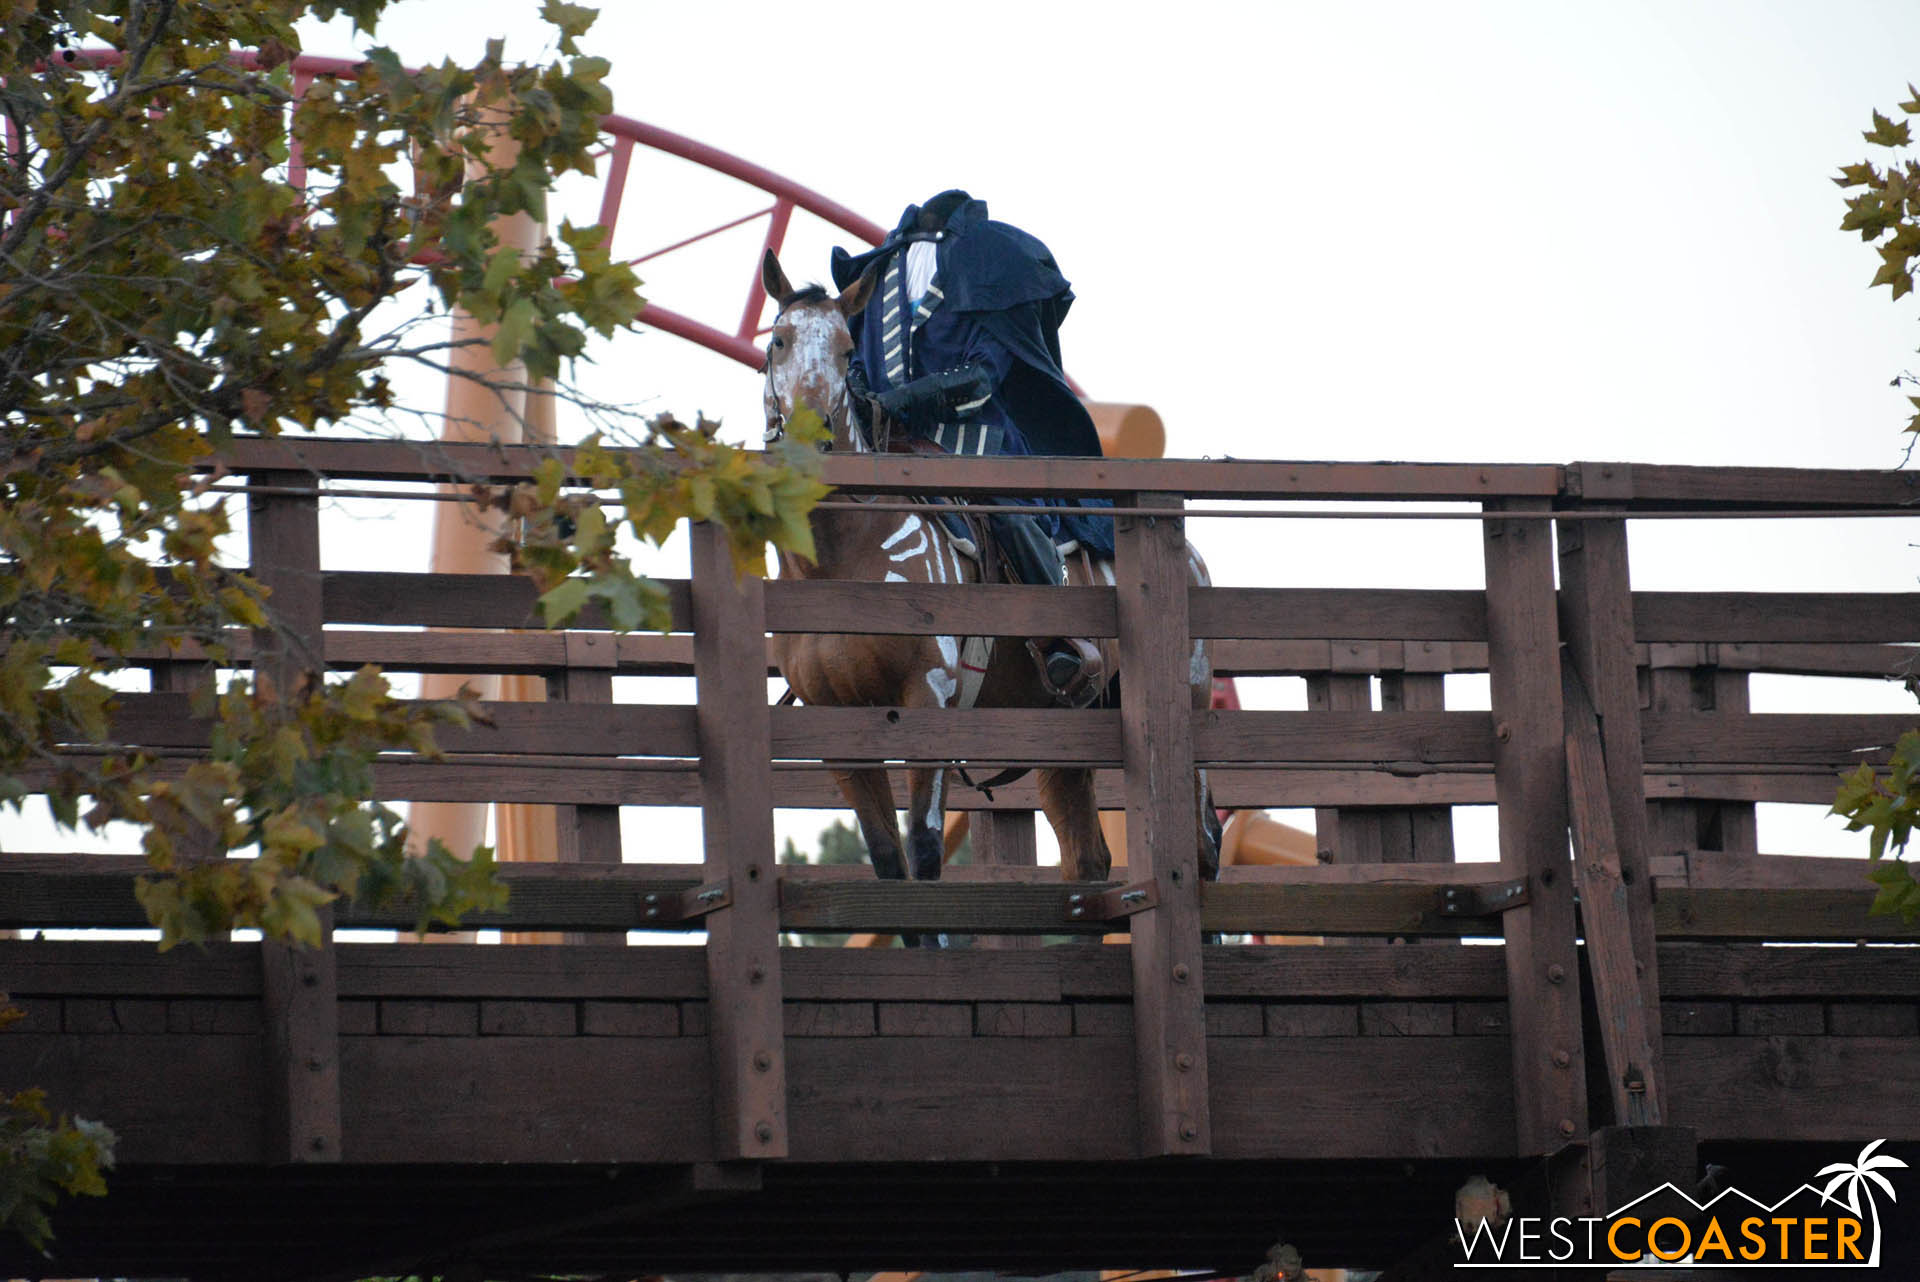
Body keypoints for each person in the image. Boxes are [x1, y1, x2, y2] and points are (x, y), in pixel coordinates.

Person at [831, 190, 1113, 705]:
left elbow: (983, 378)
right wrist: (861, 393)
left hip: (975, 445)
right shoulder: (879, 279)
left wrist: (901, 401)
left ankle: (1058, 639)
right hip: (886, 453)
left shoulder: (991, 273)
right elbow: (854, 359)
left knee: (1006, 513)